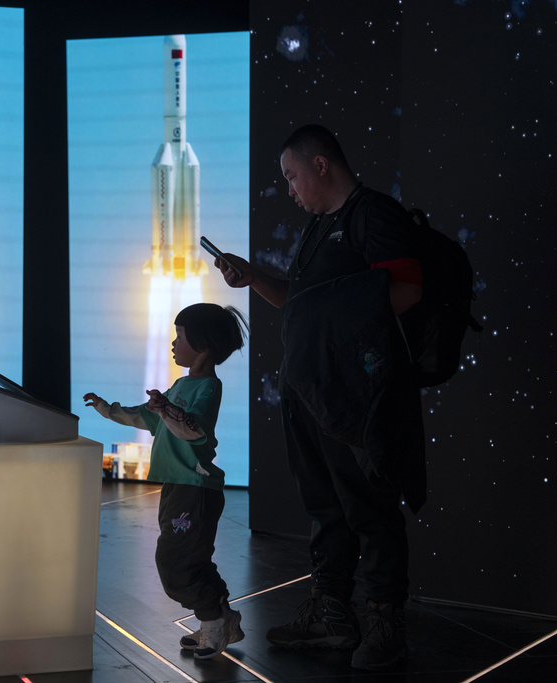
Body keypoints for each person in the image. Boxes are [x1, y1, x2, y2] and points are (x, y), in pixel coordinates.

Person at [210, 124, 426, 670]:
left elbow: (406, 288)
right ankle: (332, 614)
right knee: (326, 506)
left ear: (321, 165)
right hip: (309, 392)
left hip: (355, 397)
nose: (289, 189)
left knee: (370, 507)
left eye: (292, 176)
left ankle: (385, 624)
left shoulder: (373, 215)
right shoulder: (317, 229)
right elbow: (301, 303)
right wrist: (253, 277)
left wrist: (339, 341)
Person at [83, 302, 249, 660]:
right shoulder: (181, 385)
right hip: (178, 486)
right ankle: (219, 620)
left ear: (203, 346)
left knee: (174, 564)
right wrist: (107, 408)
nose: (174, 343)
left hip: (195, 490)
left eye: (180, 336)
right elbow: (148, 418)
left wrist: (165, 409)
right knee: (192, 558)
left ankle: (214, 620)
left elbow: (193, 430)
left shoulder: (208, 388)